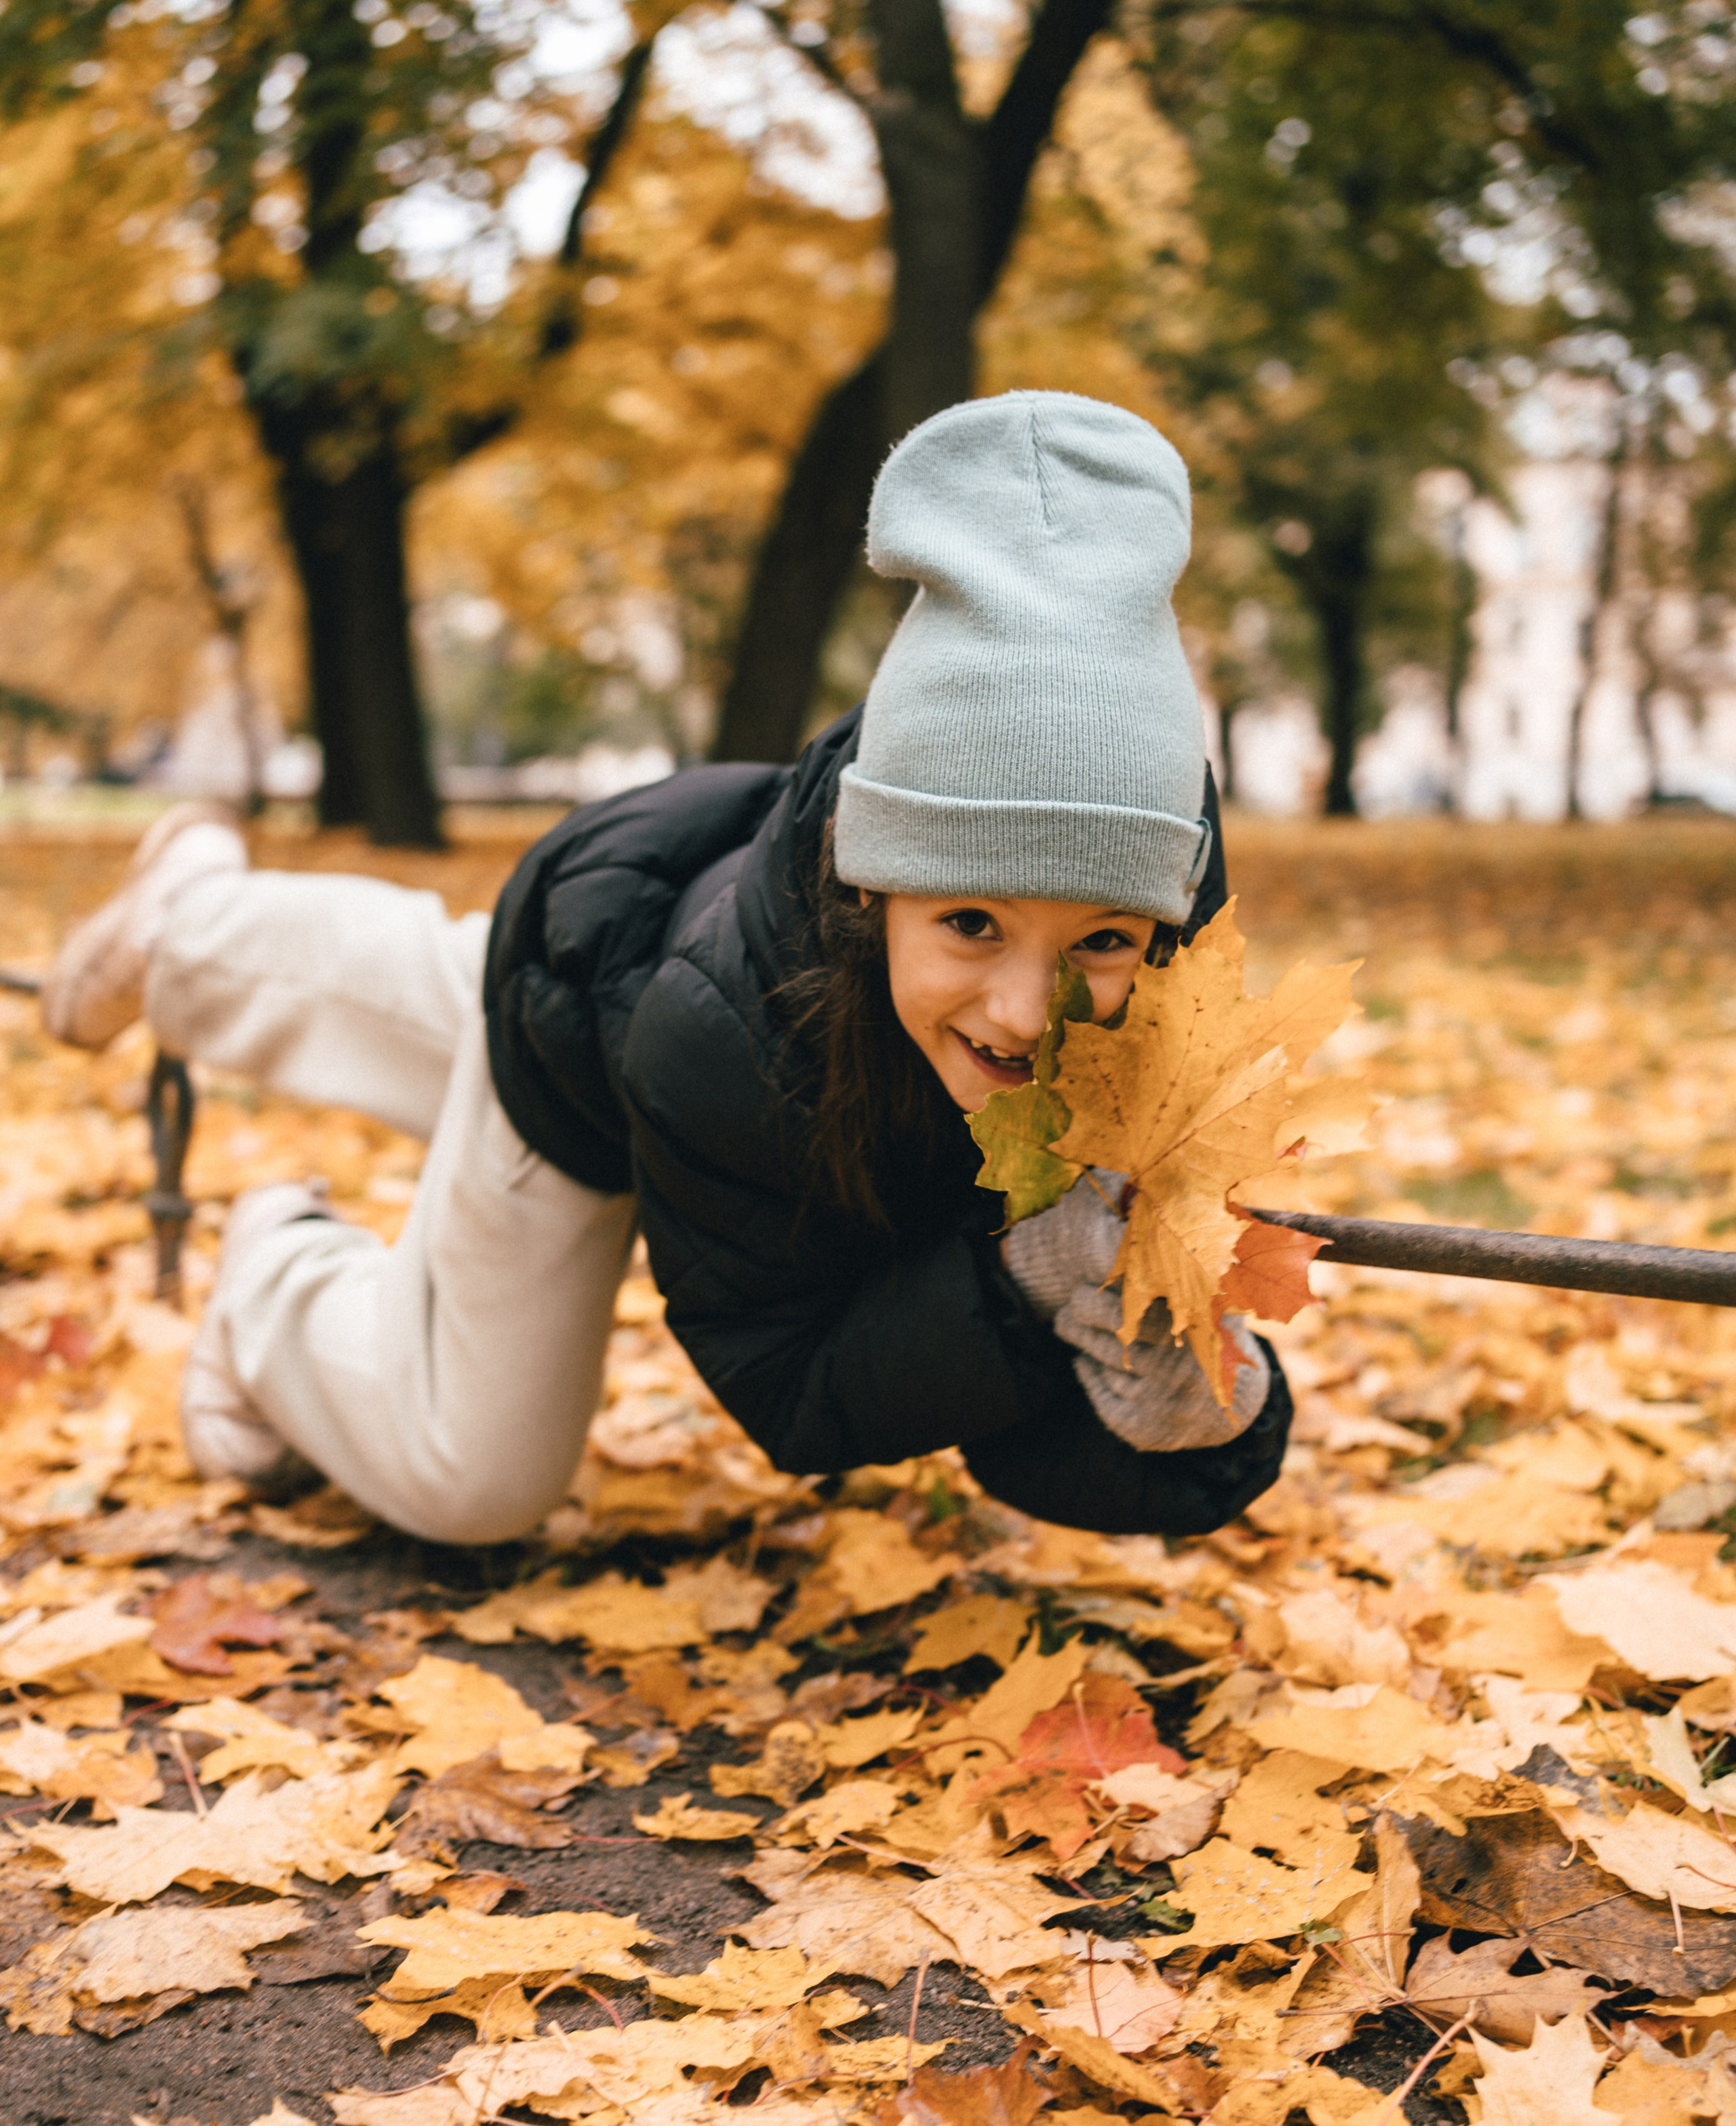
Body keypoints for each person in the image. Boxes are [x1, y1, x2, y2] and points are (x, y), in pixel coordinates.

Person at [43, 391, 1290, 1543]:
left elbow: (1039, 1427)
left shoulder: (1158, 995)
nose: (1030, 1009)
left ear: (1164, 925)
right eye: (971, 922)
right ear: (871, 890)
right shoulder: (720, 1044)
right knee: (474, 1477)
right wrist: (1021, 1275)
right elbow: (792, 1387)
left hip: (673, 986)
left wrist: (1204, 1409)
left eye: (1103, 944)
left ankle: (195, 929)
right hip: (599, 1036)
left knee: (455, 989)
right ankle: (276, 1269)